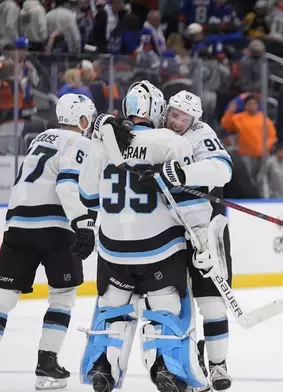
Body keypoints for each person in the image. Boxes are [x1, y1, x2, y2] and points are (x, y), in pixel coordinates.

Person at [78, 81, 212, 392]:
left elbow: (86, 195)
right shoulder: (170, 142)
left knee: (112, 310)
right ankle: (166, 368)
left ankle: (103, 367)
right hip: (160, 249)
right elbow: (190, 201)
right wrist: (203, 241)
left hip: (112, 251)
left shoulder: (100, 145)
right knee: (165, 309)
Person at [0, 94, 98, 391]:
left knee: (1, 298)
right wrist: (83, 225)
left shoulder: (40, 138)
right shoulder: (80, 143)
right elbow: (67, 186)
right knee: (62, 296)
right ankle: (47, 364)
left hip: (18, 226)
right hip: (56, 227)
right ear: (82, 120)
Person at [155, 90, 234, 391]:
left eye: (183, 118)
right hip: (165, 227)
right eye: (174, 115)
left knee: (212, 302)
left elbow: (222, 169)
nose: (177, 122)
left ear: (194, 120)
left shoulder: (202, 134)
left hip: (203, 226)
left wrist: (183, 173)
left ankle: (217, 365)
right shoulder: (155, 131)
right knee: (171, 302)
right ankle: (178, 364)